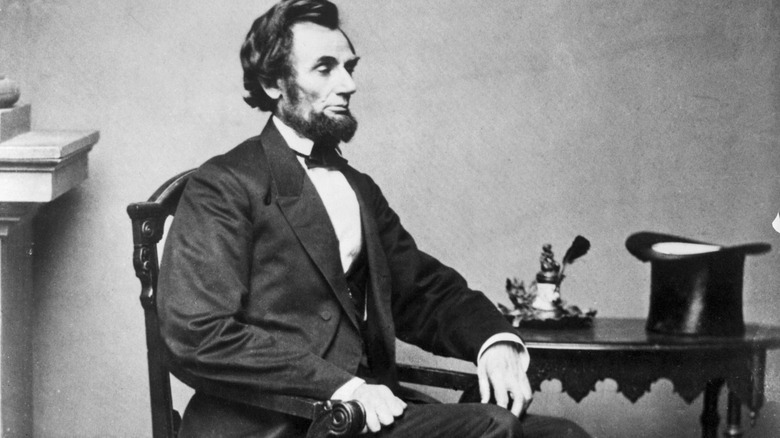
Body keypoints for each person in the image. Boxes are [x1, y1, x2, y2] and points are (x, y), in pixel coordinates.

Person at [158, 1, 590, 437]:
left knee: (561, 435)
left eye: (349, 67)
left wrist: (494, 341)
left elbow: (422, 292)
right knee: (490, 427)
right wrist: (342, 386)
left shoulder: (358, 189)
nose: (347, 84)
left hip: (362, 414)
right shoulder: (225, 184)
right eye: (325, 69)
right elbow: (198, 332)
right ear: (274, 83)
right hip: (272, 423)